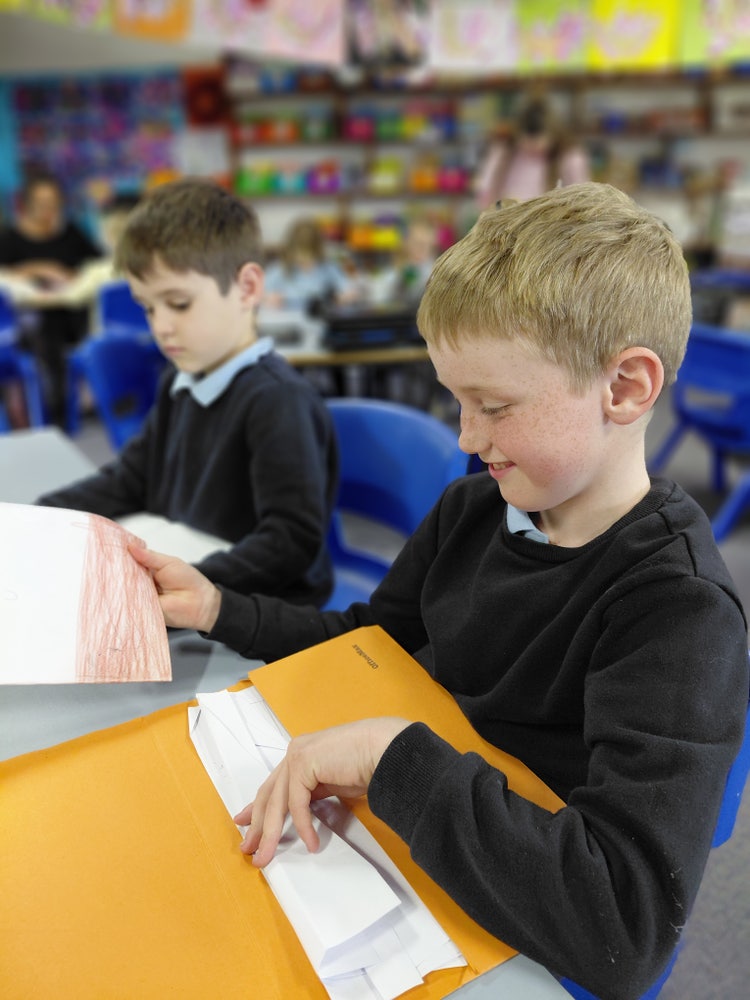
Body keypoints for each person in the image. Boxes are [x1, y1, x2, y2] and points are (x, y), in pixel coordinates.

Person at [130, 183, 749, 999]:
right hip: (407, 843)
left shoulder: (678, 608)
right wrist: (218, 608)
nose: (463, 436)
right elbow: (368, 641)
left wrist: (392, 758)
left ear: (626, 389)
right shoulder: (473, 508)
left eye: (493, 405)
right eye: (457, 401)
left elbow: (622, 927)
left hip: (510, 914)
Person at [38, 178, 339, 606]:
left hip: (256, 608)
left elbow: (289, 543)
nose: (161, 326)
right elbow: (129, 482)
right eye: (148, 307)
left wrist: (185, 582)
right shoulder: (179, 382)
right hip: (190, 585)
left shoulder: (278, 401)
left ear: (248, 288)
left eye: (178, 304)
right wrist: (37, 514)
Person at [0, 170, 104, 426]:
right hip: (32, 317)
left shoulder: (70, 232)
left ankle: (95, 396)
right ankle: (56, 409)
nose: (49, 211)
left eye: (55, 204)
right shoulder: (10, 239)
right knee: (46, 331)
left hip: (74, 308)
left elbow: (97, 263)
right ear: (25, 206)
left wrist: (70, 276)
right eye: (42, 205)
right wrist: (38, 268)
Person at [475, 96, 590, 209]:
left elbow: (583, 197)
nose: (532, 147)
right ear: (518, 134)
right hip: (507, 218)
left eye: (537, 141)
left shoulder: (568, 156)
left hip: (550, 222)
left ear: (553, 133)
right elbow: (485, 190)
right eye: (527, 141)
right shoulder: (503, 152)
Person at [262, 216, 358, 313]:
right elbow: (259, 293)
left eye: (309, 253)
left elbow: (349, 290)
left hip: (320, 320)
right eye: (300, 253)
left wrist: (343, 297)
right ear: (291, 249)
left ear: (318, 249)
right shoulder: (280, 268)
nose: (305, 259)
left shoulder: (328, 267)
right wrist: (268, 298)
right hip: (288, 323)